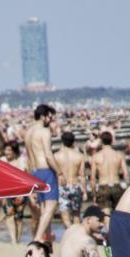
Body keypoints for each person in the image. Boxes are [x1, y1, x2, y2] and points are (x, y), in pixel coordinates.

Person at [25, 104, 61, 242]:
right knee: (51, 206)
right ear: (42, 116)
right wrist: (60, 173)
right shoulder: (44, 131)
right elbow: (48, 155)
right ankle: (39, 237)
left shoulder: (28, 132)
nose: (50, 120)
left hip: (34, 172)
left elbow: (28, 157)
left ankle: (47, 240)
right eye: (49, 117)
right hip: (45, 170)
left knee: (43, 209)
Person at [89, 130, 129, 214]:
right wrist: (128, 187)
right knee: (118, 213)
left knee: (106, 215)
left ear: (101, 141)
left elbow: (92, 178)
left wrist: (93, 194)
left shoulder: (96, 157)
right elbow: (126, 174)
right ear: (111, 140)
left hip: (103, 186)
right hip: (116, 185)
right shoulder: (119, 155)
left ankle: (108, 227)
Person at [54, 131, 86, 226]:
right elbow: (82, 175)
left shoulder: (56, 156)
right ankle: (76, 235)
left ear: (62, 141)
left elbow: (55, 174)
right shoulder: (80, 156)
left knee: (65, 215)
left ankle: (69, 233)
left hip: (62, 187)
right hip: (75, 186)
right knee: (76, 215)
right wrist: (84, 190)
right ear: (73, 142)